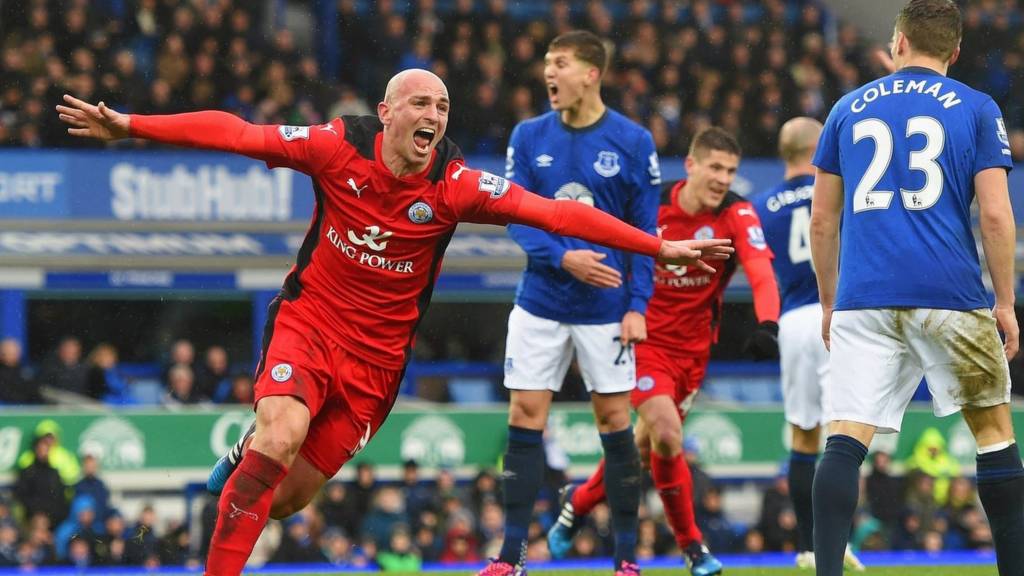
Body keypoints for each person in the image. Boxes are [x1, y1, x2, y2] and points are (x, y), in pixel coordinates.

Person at [57, 68, 732, 576]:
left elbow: (557, 214)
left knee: (284, 499)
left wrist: (658, 245)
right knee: (282, 432)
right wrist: (132, 124)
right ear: (385, 113)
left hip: (376, 367)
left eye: (442, 105)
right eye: (419, 102)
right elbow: (237, 133)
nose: (433, 113)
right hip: (310, 322)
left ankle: (242, 455)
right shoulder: (333, 148)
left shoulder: (455, 185)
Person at [808, 2, 1023, 574]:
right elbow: (997, 217)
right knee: (994, 435)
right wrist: (1004, 302)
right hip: (951, 296)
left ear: (898, 42)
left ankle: (827, 569)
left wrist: (830, 302)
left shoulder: (846, 109)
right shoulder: (977, 108)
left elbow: (822, 222)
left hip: (864, 297)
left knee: (845, 440)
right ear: (953, 53)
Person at [547, 128, 781, 576]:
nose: (722, 178)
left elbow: (761, 273)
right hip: (641, 341)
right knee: (669, 434)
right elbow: (611, 253)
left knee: (641, 447)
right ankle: (693, 548)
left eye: (730, 170)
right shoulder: (650, 206)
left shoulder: (737, 212)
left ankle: (577, 502)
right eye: (714, 167)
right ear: (690, 165)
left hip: (692, 356)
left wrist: (767, 323)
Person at [493, 30, 660, 576]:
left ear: (592, 73)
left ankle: (625, 559)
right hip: (540, 301)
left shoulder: (633, 141)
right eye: (546, 63)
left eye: (559, 64)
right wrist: (564, 258)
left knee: (615, 421)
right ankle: (510, 557)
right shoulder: (528, 133)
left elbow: (645, 231)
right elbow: (517, 216)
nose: (548, 74)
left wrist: (638, 304)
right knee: (524, 415)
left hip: (607, 309)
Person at [748, 117, 864, 571]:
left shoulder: (761, 205)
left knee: (803, 433)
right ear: (819, 146)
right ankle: (840, 544)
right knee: (845, 434)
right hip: (840, 313)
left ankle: (809, 546)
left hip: (793, 318)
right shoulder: (843, 189)